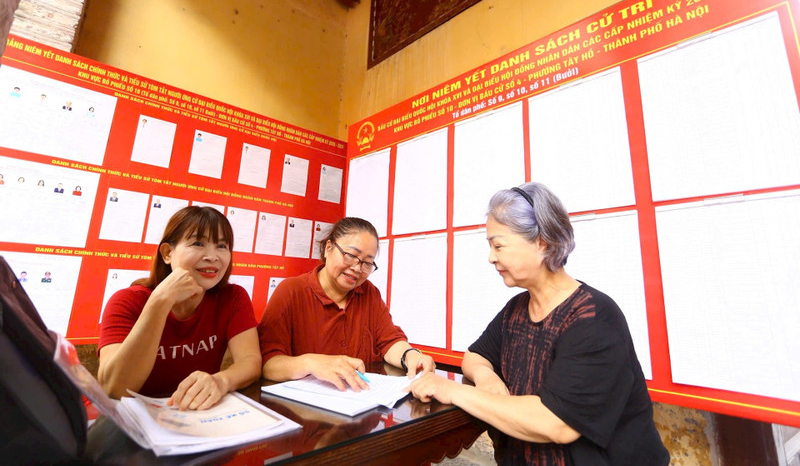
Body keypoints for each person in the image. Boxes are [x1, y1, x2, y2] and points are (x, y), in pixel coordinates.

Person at [410, 183, 669, 465]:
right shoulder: (517, 309)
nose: (491, 257)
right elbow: (475, 355)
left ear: (542, 242)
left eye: (499, 245)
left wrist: (453, 391)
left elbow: (555, 423)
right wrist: (486, 377)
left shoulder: (593, 317)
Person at [98, 206, 261, 410]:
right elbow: (113, 388)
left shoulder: (232, 297)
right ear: (167, 253)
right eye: (198, 243)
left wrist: (221, 381)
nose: (212, 256)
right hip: (136, 417)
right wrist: (160, 301)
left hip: (198, 414)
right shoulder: (127, 301)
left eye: (222, 246)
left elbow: (250, 361)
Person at [258, 217, 435, 391]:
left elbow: (389, 341)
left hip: (360, 398)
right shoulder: (291, 291)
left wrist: (410, 356)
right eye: (351, 255)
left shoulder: (369, 293)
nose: (357, 268)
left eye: (367, 263)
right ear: (328, 248)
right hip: (306, 403)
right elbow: (268, 364)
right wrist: (310, 362)